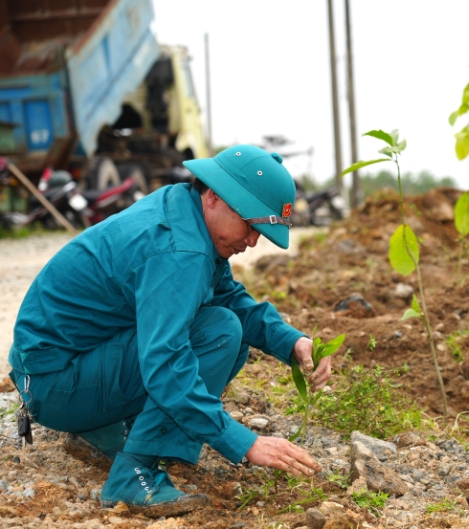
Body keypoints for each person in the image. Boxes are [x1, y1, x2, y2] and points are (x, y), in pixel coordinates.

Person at [8, 145, 332, 517]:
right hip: (56, 385)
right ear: (214, 196)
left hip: (53, 373)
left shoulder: (183, 211)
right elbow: (166, 363)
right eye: (251, 225)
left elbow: (227, 296)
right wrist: (244, 442)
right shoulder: (180, 250)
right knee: (221, 332)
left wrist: (290, 340)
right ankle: (134, 473)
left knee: (226, 325)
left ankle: (102, 428)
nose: (253, 241)